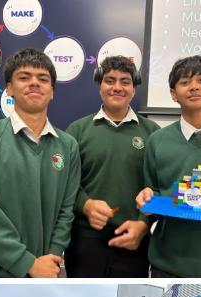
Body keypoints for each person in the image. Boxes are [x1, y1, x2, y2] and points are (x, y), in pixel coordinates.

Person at [137, 55, 201, 277]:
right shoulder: (157, 141)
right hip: (168, 264)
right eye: (184, 82)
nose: (193, 87)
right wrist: (147, 197)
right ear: (173, 93)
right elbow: (153, 192)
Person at [65, 56, 160, 277]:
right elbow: (66, 185)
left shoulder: (153, 133)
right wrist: (86, 205)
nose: (117, 87)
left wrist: (144, 225)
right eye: (110, 80)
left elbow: (159, 186)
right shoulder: (77, 131)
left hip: (135, 241)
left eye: (125, 81)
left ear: (134, 88)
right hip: (84, 242)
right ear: (100, 85)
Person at [0, 49, 79, 277]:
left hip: (49, 267)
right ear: (9, 88)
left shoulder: (68, 146)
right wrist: (27, 263)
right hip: (0, 271)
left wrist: (52, 256)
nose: (34, 84)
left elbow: (67, 210)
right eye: (24, 77)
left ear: (52, 92)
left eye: (43, 79)